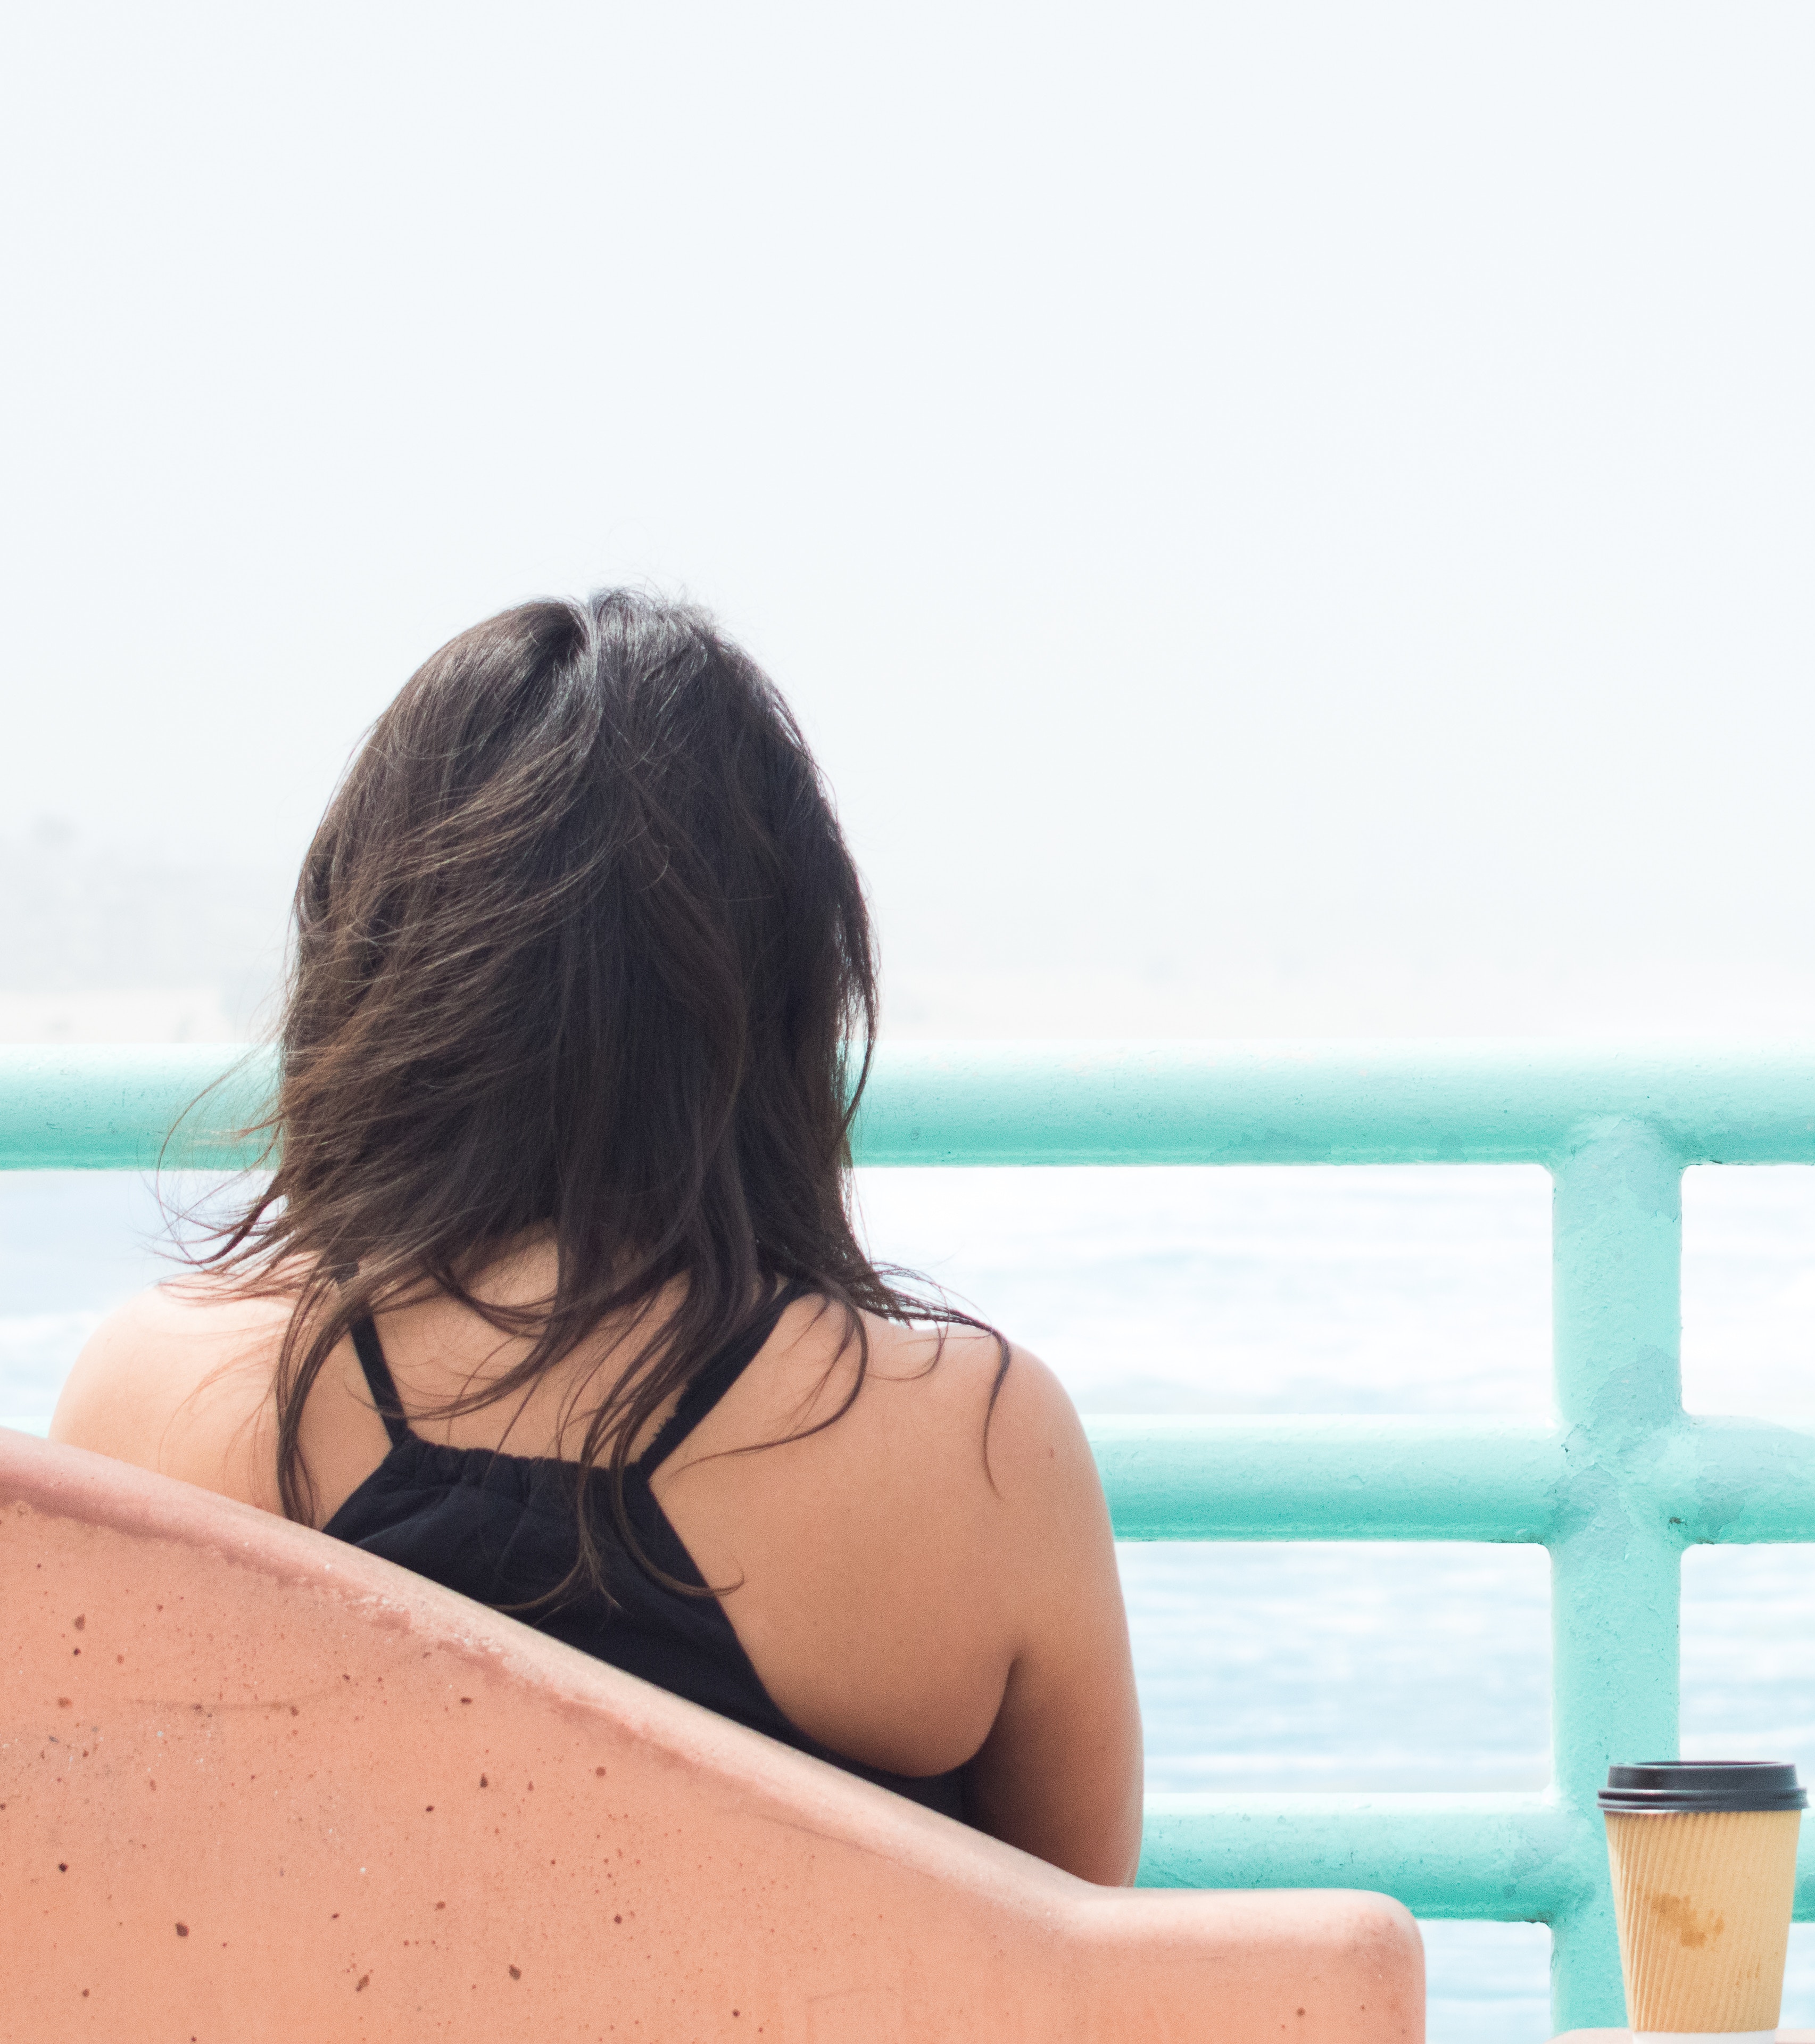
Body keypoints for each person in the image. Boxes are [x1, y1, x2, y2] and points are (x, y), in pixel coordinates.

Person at [51, 591, 1141, 1885]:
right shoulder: (971, 1450)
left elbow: (81, 1913)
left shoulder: (153, 1396)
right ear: (787, 1001)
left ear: (375, 972)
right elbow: (1081, 1969)